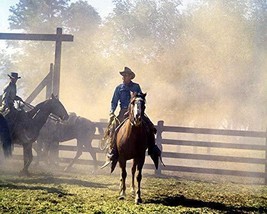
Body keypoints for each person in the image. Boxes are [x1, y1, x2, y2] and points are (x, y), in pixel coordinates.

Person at [105, 67, 160, 169]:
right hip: (123, 112)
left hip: (136, 111)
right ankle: (113, 150)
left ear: (130, 76)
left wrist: (137, 106)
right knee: (114, 128)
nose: (124, 77)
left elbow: (141, 98)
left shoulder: (136, 87)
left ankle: (153, 148)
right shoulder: (119, 88)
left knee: (150, 127)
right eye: (123, 75)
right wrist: (112, 112)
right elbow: (114, 101)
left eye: (126, 75)